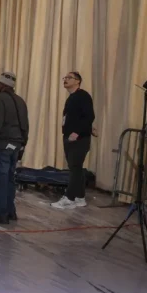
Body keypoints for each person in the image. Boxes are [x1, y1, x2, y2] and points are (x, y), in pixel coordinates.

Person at [0, 71, 29, 224]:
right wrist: (23, 145)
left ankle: (1, 213)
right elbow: (25, 126)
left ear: (3, 85)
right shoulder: (20, 101)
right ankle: (10, 211)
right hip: (16, 145)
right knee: (9, 179)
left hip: (2, 145)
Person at [52, 71, 96, 210]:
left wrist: (78, 132)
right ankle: (80, 197)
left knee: (75, 168)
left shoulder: (83, 96)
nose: (65, 80)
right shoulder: (72, 98)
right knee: (76, 168)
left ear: (77, 81)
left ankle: (69, 198)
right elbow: (79, 117)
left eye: (69, 78)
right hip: (70, 137)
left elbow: (89, 116)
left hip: (79, 139)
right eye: (64, 77)